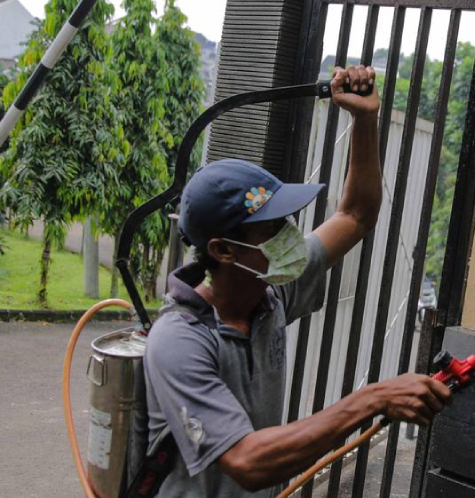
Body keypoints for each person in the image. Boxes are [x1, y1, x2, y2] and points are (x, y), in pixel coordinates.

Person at [143, 66, 452, 497]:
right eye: (272, 228)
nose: (290, 235)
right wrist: (372, 398)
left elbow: (356, 214)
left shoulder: (269, 292)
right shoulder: (179, 340)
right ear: (223, 250)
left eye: (286, 221)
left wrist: (363, 121)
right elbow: (246, 460)